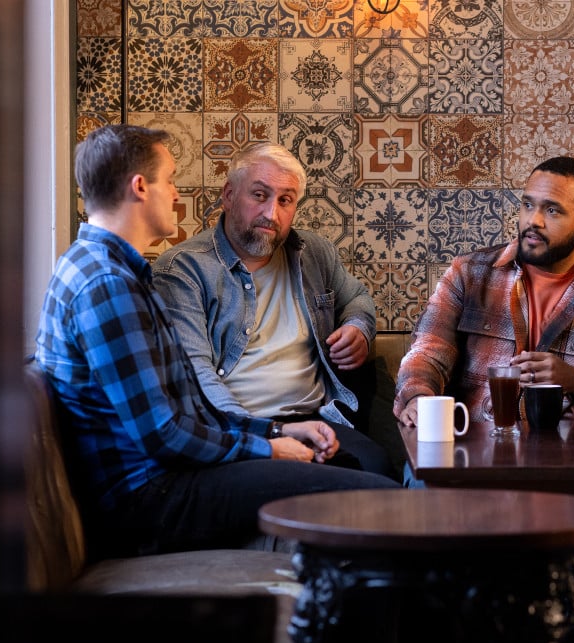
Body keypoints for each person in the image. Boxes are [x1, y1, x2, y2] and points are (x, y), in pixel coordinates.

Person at [34, 125, 399, 561]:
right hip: (151, 501)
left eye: (285, 200)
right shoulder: (109, 283)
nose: (175, 194)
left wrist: (278, 430)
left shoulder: (102, 267)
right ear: (139, 187)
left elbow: (182, 409)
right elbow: (165, 434)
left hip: (169, 478)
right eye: (169, 180)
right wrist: (268, 447)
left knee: (374, 479)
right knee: (382, 502)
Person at [153, 141, 400, 481]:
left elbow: (357, 297)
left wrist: (358, 326)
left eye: (285, 200)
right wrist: (267, 434)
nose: (272, 213)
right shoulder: (183, 270)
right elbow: (195, 372)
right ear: (228, 195)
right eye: (259, 195)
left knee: (380, 469)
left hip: (318, 418)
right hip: (239, 427)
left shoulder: (313, 252)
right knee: (354, 489)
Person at [394, 155, 574, 426]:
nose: (533, 220)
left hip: (563, 458)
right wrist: (417, 397)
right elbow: (428, 350)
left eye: (552, 210)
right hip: (469, 444)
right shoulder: (469, 273)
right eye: (528, 205)